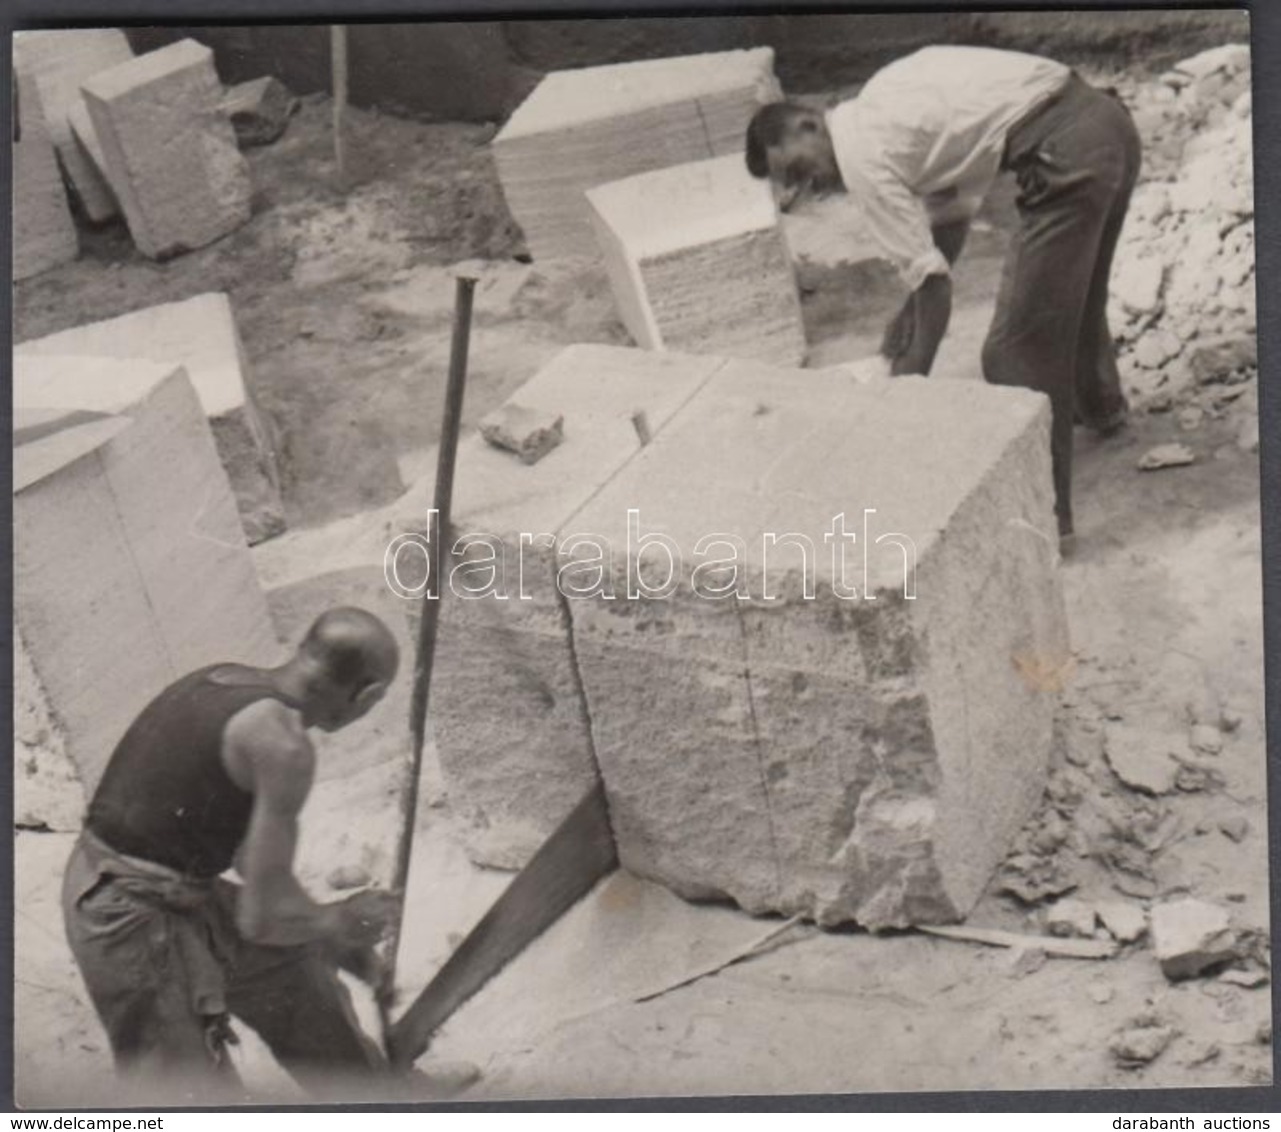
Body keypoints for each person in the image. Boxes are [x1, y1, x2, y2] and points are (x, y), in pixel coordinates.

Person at [745, 45, 1141, 550]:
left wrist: (907, 397)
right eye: (792, 186)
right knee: (1071, 295)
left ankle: (1043, 524)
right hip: (1107, 124)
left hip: (1063, 151)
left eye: (798, 169)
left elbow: (935, 288)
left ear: (807, 124)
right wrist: (907, 309)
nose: (808, 185)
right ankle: (1102, 407)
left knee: (1012, 350)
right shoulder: (886, 104)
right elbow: (948, 226)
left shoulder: (859, 155)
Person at [62, 607, 402, 1101]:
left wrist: (343, 946)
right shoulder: (284, 746)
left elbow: (254, 865)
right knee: (189, 1093)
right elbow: (262, 918)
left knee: (297, 971)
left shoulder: (225, 679)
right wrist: (336, 921)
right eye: (375, 700)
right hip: (120, 911)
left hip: (171, 884)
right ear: (367, 696)